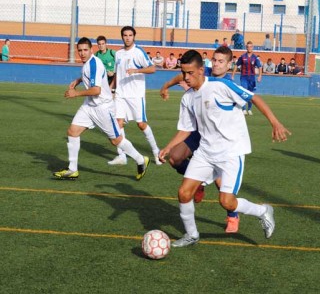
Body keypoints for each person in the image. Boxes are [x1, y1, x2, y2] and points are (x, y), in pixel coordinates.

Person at [158, 49, 291, 247]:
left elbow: (254, 98)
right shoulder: (187, 98)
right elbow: (186, 129)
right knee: (184, 193)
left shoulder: (221, 85)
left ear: (202, 70)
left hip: (230, 152)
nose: (186, 78)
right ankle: (191, 235)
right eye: (184, 73)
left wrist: (275, 123)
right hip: (205, 151)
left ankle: (263, 211)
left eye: (190, 73)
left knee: (227, 201)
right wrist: (168, 147)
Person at [160, 46, 243, 233]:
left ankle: (232, 215)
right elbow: (181, 76)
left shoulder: (226, 86)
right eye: (214, 60)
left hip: (218, 138)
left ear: (229, 65)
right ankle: (197, 182)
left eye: (221, 61)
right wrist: (166, 86)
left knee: (221, 183)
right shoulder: (200, 73)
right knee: (174, 158)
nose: (216, 64)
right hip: (197, 132)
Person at [53, 37, 149, 181]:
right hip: (89, 106)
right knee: (72, 132)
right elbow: (91, 77)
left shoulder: (94, 64)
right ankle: (72, 169)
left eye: (85, 50)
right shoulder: (89, 62)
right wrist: (79, 80)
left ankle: (141, 160)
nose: (82, 53)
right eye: (80, 50)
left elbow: (96, 90)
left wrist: (76, 93)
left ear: (91, 50)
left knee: (116, 141)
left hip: (102, 107)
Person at [108, 26, 161, 166]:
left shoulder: (138, 52)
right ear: (122, 37)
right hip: (120, 94)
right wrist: (110, 90)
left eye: (130, 35)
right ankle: (122, 156)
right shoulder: (118, 53)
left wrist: (136, 70)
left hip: (135, 95)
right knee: (118, 123)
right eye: (125, 35)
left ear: (134, 37)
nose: (127, 37)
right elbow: (116, 74)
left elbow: (152, 68)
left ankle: (156, 152)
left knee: (141, 124)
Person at [231, 41, 262, 116]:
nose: (249, 48)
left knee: (250, 94)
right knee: (244, 93)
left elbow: (260, 67)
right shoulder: (242, 57)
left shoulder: (255, 58)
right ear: (246, 47)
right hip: (244, 77)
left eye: (251, 46)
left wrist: (260, 76)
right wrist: (233, 75)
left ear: (253, 47)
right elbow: (236, 65)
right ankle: (244, 109)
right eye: (248, 47)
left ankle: (250, 109)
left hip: (252, 77)